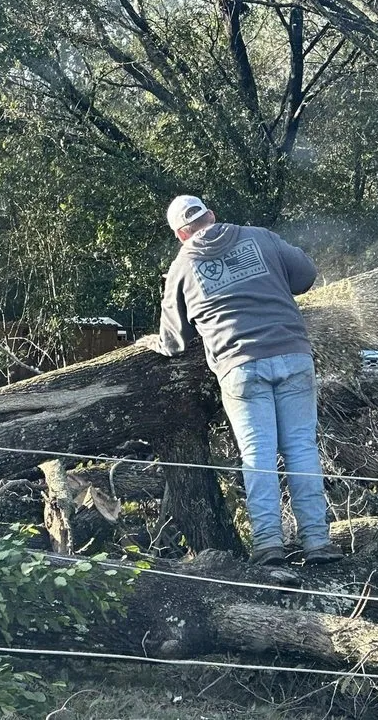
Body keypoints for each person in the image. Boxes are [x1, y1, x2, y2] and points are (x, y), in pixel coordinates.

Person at [140, 195, 343, 566]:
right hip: (293, 354)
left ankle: (268, 546)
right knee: (301, 448)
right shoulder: (260, 237)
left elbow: (173, 342)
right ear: (212, 215)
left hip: (239, 367)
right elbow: (306, 276)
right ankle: (317, 542)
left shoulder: (182, 265)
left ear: (180, 234)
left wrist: (149, 342)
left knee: (257, 457)